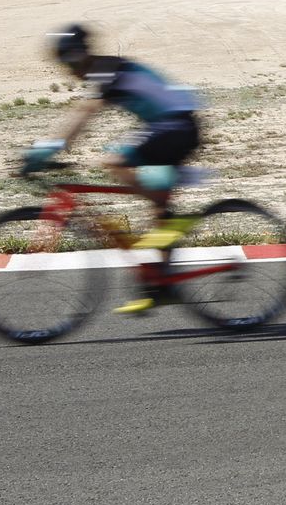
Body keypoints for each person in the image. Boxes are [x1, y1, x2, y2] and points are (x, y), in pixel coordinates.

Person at [24, 24, 205, 313]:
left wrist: (51, 146)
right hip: (172, 126)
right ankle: (162, 285)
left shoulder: (107, 69)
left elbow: (85, 111)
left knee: (115, 159)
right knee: (157, 206)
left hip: (177, 124)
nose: (68, 70)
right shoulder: (104, 71)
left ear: (77, 55)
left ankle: (174, 226)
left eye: (67, 62)